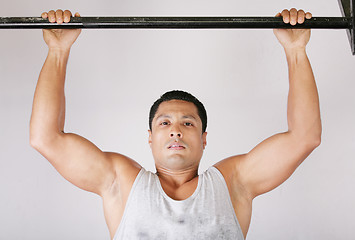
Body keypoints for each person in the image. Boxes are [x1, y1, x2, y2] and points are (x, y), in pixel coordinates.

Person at [30, 8, 321, 240]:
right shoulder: (123, 183)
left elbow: (304, 137)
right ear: (150, 137)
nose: (175, 129)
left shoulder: (233, 184)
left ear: (204, 139)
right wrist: (58, 51)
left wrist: (296, 51)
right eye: (164, 122)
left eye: (188, 123)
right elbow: (46, 138)